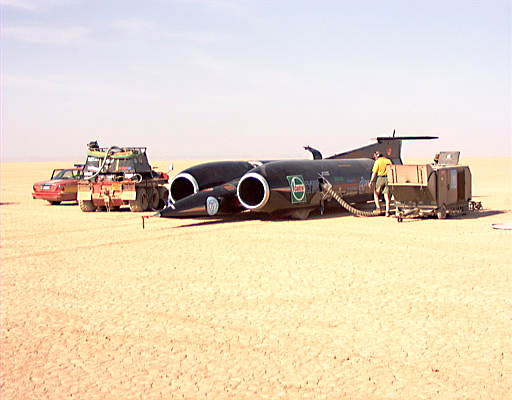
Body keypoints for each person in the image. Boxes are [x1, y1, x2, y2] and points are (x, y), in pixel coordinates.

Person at [368, 151, 392, 216]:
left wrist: (371, 181)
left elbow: (374, 173)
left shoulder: (377, 162)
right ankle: (387, 211)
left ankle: (378, 208)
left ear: (376, 156)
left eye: (375, 157)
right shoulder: (388, 161)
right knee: (386, 195)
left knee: (376, 193)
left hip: (380, 178)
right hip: (388, 179)